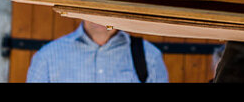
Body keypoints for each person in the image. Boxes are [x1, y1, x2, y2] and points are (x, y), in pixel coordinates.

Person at [26, 20, 169, 83]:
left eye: (105, 5)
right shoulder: (47, 56)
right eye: (91, 4)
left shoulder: (149, 56)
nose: (98, 16)